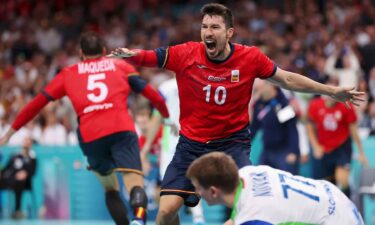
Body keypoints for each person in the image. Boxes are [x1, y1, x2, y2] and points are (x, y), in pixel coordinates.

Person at [108, 3, 365, 225]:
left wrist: (330, 91)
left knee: (249, 203)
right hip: (191, 146)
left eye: (215, 27)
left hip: (233, 145)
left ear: (229, 32)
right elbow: (151, 57)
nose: (208, 32)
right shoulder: (185, 53)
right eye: (204, 27)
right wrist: (132, 55)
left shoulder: (250, 57)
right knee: (165, 212)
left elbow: (286, 79)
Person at [0, 32, 171, 225]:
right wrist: (166, 117)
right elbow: (153, 95)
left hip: (91, 136)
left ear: (81, 54)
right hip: (121, 129)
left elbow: (36, 104)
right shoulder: (121, 67)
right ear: (104, 52)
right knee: (135, 184)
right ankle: (139, 220)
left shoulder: (68, 73)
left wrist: (10, 132)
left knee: (110, 188)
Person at [186, 151, 365, 225]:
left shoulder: (254, 216)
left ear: (213, 191)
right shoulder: (248, 173)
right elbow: (238, 215)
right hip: (332, 196)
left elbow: (250, 215)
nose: (196, 193)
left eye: (198, 188)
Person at [141, 77, 206, 225]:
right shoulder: (201, 82)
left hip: (174, 150)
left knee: (169, 198)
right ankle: (198, 217)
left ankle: (198, 218)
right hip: (190, 145)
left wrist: (145, 150)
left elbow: (156, 118)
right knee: (191, 184)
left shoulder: (166, 87)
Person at [306, 77, 368, 197]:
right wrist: (315, 146)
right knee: (324, 185)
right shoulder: (315, 105)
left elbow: (354, 130)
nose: (332, 94)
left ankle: (349, 203)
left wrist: (361, 152)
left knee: (342, 179)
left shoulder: (346, 106)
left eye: (335, 90)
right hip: (323, 147)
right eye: (329, 90)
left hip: (342, 147)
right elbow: (309, 125)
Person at [250, 80, 300, 174]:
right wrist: (243, 143)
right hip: (267, 150)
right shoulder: (259, 104)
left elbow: (292, 129)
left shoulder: (283, 103)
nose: (257, 91)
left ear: (270, 85)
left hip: (284, 151)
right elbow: (254, 128)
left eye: (259, 88)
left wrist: (294, 151)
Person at [0, 136, 36, 219]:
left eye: (28, 142)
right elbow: (6, 168)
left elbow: (33, 171)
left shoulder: (32, 158)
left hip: (23, 182)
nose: (26, 144)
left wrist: (25, 173)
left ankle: (17, 210)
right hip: (9, 179)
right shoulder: (15, 156)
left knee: (19, 182)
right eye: (25, 142)